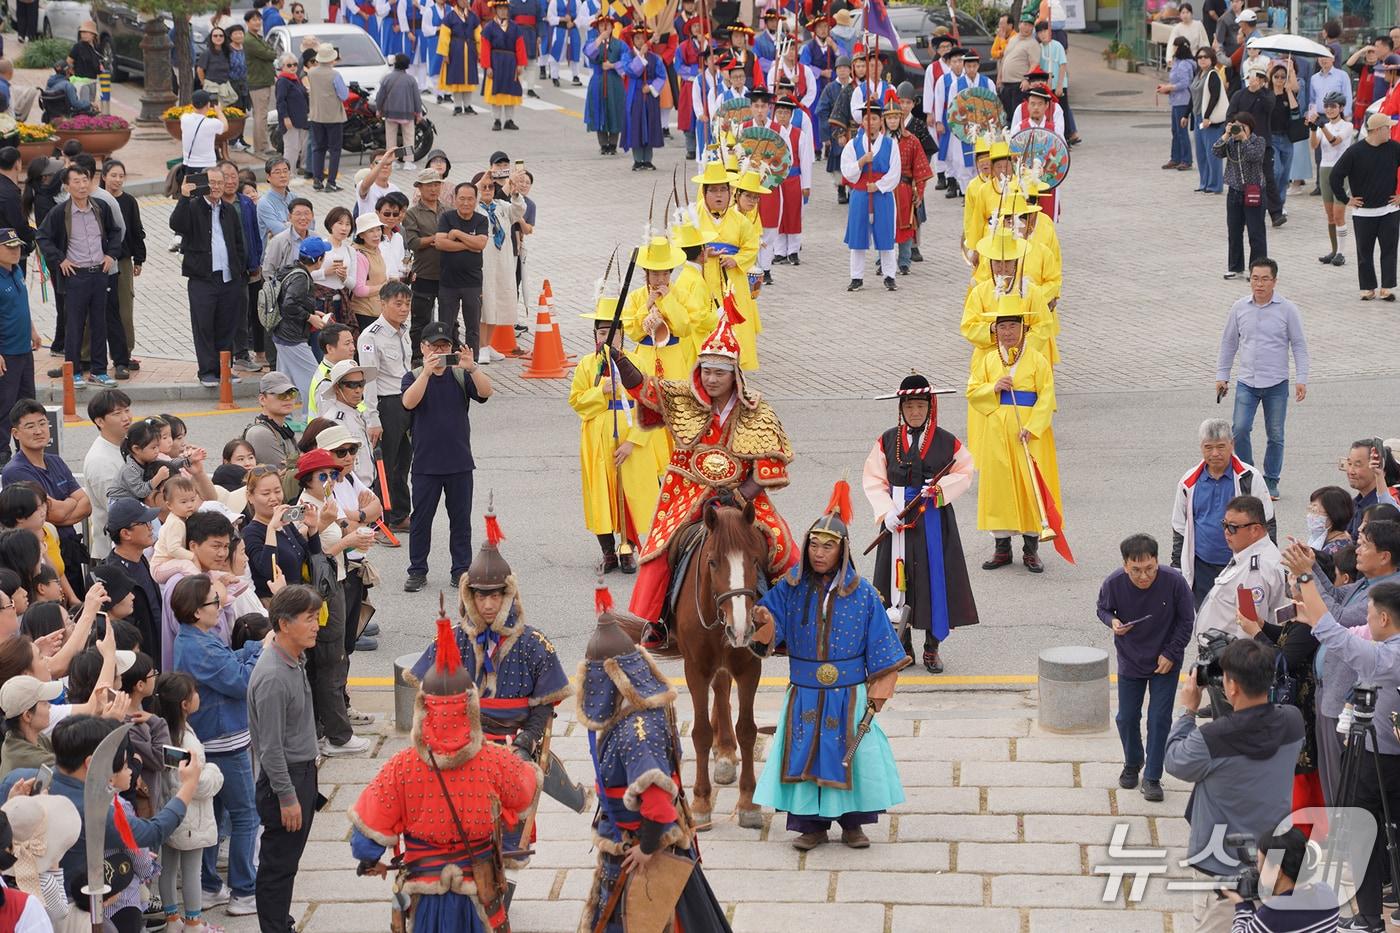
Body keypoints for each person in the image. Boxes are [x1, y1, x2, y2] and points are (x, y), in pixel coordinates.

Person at [604, 313, 797, 648]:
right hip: (689, 489)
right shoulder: (685, 399)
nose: (711, 379)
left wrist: (740, 496)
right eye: (706, 371)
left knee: (782, 545)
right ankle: (660, 621)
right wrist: (620, 358)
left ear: (734, 375)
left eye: (719, 372)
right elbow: (648, 389)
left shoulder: (757, 411)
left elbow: (768, 465)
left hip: (742, 496)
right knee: (664, 545)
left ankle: (780, 622)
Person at [351, 605, 538, 932]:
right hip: (478, 890)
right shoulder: (495, 760)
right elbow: (524, 791)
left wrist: (369, 859)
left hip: (424, 892)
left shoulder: (402, 766)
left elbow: (366, 836)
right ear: (471, 708)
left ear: (424, 709)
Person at [749, 484, 910, 850]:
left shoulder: (864, 593)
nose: (819, 554)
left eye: (828, 546)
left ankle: (854, 825)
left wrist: (881, 687)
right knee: (805, 753)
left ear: (843, 550)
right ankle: (812, 827)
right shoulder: (790, 587)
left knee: (850, 754)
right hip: (804, 693)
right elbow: (768, 624)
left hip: (849, 694)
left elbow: (884, 646)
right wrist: (761, 618)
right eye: (814, 545)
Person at [576, 588, 732, 933]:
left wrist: (646, 848)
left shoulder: (636, 732)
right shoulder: (645, 708)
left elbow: (659, 806)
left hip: (643, 850)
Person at [1164, 637, 1304, 932]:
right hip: (1272, 861)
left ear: (1232, 686)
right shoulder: (1293, 721)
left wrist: (1188, 711)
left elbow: (1175, 761)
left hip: (1219, 866)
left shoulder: (1214, 738)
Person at [1291, 574, 1400, 932]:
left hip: (1378, 755)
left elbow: (1341, 639)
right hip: (1384, 752)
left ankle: (1368, 918)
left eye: (1369, 614)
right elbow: (1346, 635)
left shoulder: (1388, 657)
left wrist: (1307, 577)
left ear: (1384, 618)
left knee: (1360, 830)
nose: (1366, 622)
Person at [862, 373, 977, 673]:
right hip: (897, 518)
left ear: (930, 407)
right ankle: (903, 645)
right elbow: (874, 478)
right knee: (897, 582)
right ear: (901, 408)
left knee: (932, 581)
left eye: (921, 406)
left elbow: (965, 472)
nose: (915, 412)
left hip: (933, 520)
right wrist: (885, 510)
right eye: (910, 406)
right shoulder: (887, 440)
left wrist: (940, 490)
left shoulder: (947, 441)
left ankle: (931, 647)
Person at [1284, 523, 1400, 818]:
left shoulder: (1388, 594)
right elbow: (1334, 599)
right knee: (1335, 782)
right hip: (1332, 692)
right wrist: (1314, 569)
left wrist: (1307, 576)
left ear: (1385, 556)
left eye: (1364, 544)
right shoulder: (1366, 584)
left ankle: (1345, 847)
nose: (1357, 550)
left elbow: (1335, 621)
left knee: (1346, 789)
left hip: (1353, 708)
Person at [571, 298, 668, 573]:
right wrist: (600, 392)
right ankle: (607, 551)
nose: (608, 339)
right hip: (598, 439)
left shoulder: (636, 362)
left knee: (633, 494)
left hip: (631, 439)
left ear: (622, 335)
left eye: (614, 333)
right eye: (602, 333)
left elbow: (651, 404)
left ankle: (628, 548)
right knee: (601, 494)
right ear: (595, 336)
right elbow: (576, 401)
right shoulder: (587, 365)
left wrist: (632, 442)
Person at [247, 584, 324, 932]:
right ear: (283, 624)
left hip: (301, 773)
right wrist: (288, 797)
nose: (316, 625)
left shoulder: (293, 659)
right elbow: (271, 748)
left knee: (287, 862)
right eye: (308, 619)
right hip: (286, 780)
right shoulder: (274, 677)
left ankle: (281, 921)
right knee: (277, 866)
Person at [965, 305, 1062, 574]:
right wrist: (992, 387)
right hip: (997, 432)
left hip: (1028, 433)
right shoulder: (987, 360)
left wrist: (1033, 427)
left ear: (1023, 328)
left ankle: (1032, 548)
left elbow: (1047, 395)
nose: (1007, 333)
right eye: (1002, 327)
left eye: (1013, 326)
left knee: (1029, 483)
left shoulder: (1037, 360)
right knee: (1000, 486)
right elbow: (972, 391)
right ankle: (1002, 548)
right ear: (995, 330)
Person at [1098, 533, 1194, 803]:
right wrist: (1113, 622)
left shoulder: (1174, 582)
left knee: (1159, 718)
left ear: (1157, 561)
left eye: (1149, 569)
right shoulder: (1114, 583)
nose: (1144, 576)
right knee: (1126, 717)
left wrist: (1171, 653)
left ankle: (1152, 776)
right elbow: (1102, 609)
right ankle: (1133, 761)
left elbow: (1187, 621)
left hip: (1165, 660)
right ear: (1125, 565)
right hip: (1130, 658)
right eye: (1136, 570)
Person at [402, 321, 493, 592]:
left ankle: (461, 569)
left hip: (459, 463)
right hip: (426, 464)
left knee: (461, 520)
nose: (440, 351)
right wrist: (427, 374)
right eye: (434, 346)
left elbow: (486, 393)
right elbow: (408, 402)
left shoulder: (460, 376)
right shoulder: (414, 376)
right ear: (423, 348)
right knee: (421, 520)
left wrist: (472, 367)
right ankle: (417, 570)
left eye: (445, 346)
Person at [1215, 256, 1309, 499]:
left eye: (1265, 279)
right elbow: (1228, 343)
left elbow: (1299, 345)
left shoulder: (1287, 310)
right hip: (1247, 381)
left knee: (1275, 433)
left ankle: (1271, 479)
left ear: (1274, 281)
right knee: (1240, 429)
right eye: (1255, 278)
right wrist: (1222, 375)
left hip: (1276, 382)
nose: (1259, 284)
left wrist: (1302, 378)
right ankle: (1248, 476)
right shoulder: (1239, 308)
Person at [1171, 418, 1275, 608]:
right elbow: (1179, 528)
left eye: (1221, 446)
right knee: (1206, 622)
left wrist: (1270, 562)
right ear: (1201, 447)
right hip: (1202, 568)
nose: (1215, 453)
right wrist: (1177, 567)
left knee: (1243, 619)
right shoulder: (1188, 482)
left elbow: (1267, 521)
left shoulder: (1250, 478)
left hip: (1241, 565)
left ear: (1232, 445)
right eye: (1208, 447)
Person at [35, 165, 120, 390]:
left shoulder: (100, 207)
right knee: (74, 325)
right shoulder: (60, 212)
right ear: (67, 186)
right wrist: (60, 260)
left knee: (99, 323)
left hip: (99, 274)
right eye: (76, 182)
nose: (82, 186)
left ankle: (99, 371)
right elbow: (42, 237)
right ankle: (72, 373)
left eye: (85, 180)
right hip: (76, 277)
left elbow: (115, 231)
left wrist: (111, 254)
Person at [169, 165, 248, 389]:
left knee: (227, 326)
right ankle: (207, 371)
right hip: (202, 278)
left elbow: (239, 243)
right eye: (211, 182)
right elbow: (176, 224)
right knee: (204, 325)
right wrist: (183, 198)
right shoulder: (193, 207)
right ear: (202, 184)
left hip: (228, 278)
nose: (215, 187)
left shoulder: (229, 210)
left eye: (219, 183)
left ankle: (224, 368)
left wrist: (239, 269)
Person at [3, 399, 90, 594]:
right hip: (42, 558)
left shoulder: (55, 461)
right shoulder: (16, 471)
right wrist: (70, 502)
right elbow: (54, 514)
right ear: (16, 434)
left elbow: (86, 505)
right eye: (30, 426)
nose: (38, 430)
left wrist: (63, 509)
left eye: (42, 423)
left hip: (70, 550)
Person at [1193, 494, 1289, 640]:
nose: (1226, 531)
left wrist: (1237, 661)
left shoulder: (1255, 571)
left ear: (1255, 530)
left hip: (1232, 655)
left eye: (1233, 527)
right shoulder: (1250, 553)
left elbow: (1250, 627)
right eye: (1224, 524)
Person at [1328, 111, 1400, 301]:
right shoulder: (1355, 152)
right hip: (1364, 213)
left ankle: (1387, 288)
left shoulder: (1394, 148)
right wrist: (1345, 199)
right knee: (1364, 252)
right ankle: (1368, 288)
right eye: (1388, 128)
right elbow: (1335, 176)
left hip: (1389, 210)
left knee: (1389, 250)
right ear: (1377, 130)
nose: (1391, 131)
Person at [1223, 827, 1340, 930]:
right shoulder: (1327, 893)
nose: (1257, 868)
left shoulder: (1272, 914)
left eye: (1259, 862)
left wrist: (1242, 905)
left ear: (1277, 871)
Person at [840, 100, 901, 292]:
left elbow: (895, 172)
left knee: (885, 235)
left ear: (880, 121)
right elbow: (846, 170)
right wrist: (861, 162)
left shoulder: (891, 144)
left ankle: (889, 275)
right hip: (860, 193)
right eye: (867, 119)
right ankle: (856, 277)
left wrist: (880, 186)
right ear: (862, 122)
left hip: (882, 194)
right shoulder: (853, 144)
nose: (871, 123)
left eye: (874, 118)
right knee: (857, 236)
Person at [472, 169, 524, 358]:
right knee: (484, 301)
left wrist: (516, 192)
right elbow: (470, 195)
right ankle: (480, 345)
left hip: (503, 260)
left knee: (499, 300)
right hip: (483, 260)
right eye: (484, 187)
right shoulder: (474, 208)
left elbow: (518, 211)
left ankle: (489, 343)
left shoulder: (502, 205)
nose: (487, 190)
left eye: (491, 186)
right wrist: (479, 184)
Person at [435, 180, 489, 360]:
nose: (466, 203)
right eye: (462, 199)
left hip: (472, 284)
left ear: (476, 200)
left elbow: (481, 244)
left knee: (473, 328)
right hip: (448, 283)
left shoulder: (481, 220)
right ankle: (446, 363)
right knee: (445, 327)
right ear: (455, 199)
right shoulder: (446, 217)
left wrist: (457, 235)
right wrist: (469, 245)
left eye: (470, 199)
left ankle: (471, 364)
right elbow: (440, 243)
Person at [0, 228, 39, 452]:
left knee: (26, 403)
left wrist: (33, 330)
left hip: (24, 349)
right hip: (7, 352)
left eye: (17, 246)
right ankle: (2, 451)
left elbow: (21, 306)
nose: (15, 251)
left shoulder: (16, 271)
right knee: (5, 405)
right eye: (9, 247)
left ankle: (23, 448)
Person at [402, 168, 447, 358]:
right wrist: (436, 239)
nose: (434, 189)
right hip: (424, 275)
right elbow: (413, 243)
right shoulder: (412, 214)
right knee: (420, 320)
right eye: (429, 185)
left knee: (448, 320)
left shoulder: (448, 211)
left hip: (447, 275)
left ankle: (446, 353)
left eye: (437, 184)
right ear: (419, 188)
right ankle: (417, 356)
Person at [1312, 90, 1354, 266]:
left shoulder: (1347, 126)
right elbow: (1315, 145)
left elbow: (1335, 141)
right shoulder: (1324, 126)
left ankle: (1342, 253)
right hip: (1324, 169)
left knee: (1339, 215)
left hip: (1341, 171)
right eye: (1327, 106)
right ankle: (1334, 250)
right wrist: (1313, 129)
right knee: (1330, 216)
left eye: (1333, 106)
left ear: (1341, 108)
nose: (1329, 109)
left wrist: (1321, 127)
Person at [620, 26, 664, 170]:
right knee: (636, 124)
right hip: (634, 93)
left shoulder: (655, 58)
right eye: (637, 38)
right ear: (633, 40)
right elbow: (631, 71)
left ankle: (648, 159)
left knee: (650, 123)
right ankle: (638, 159)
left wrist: (651, 87)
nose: (640, 41)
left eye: (642, 37)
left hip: (649, 94)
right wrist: (641, 56)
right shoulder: (628, 55)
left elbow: (661, 76)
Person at [307, 44, 348, 192]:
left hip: (316, 115)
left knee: (318, 148)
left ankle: (317, 180)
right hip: (334, 116)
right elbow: (343, 95)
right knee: (335, 150)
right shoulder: (335, 75)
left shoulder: (311, 73)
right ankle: (331, 182)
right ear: (332, 58)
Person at [481, 0, 527, 131]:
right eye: (500, 9)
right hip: (495, 62)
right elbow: (485, 48)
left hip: (511, 63)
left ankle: (509, 119)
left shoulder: (515, 27)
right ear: (496, 10)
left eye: (505, 9)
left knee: (510, 91)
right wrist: (487, 66)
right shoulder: (489, 27)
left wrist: (520, 64)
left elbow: (520, 46)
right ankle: (496, 120)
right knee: (496, 92)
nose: (503, 11)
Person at [1344, 439, 1400, 538]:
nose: (1351, 471)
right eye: (1349, 464)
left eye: (1357, 465)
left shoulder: (1383, 509)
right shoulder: (1352, 505)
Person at [1158, 38, 1197, 171]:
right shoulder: (1178, 62)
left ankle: (1186, 159)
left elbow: (1184, 83)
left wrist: (1169, 88)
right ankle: (1176, 158)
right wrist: (1167, 87)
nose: (1173, 48)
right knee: (1175, 131)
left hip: (1183, 101)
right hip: (1176, 100)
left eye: (1174, 46)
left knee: (1181, 131)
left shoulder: (1185, 64)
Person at [998, 13, 1039, 121]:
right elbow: (1004, 59)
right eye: (1025, 24)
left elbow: (1034, 64)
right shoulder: (1013, 39)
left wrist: (1026, 79)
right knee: (1007, 116)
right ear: (1019, 24)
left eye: (1030, 25)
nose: (1027, 28)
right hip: (1006, 83)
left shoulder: (1033, 43)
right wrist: (999, 77)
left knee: (1018, 117)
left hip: (1019, 85)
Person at [275, 55, 310, 177]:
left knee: (298, 147)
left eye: (295, 64)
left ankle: (293, 172)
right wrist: (285, 117)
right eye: (289, 65)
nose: (293, 67)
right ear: (282, 67)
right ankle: (288, 174)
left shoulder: (295, 79)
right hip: (290, 120)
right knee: (291, 148)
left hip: (300, 119)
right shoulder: (283, 81)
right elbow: (280, 101)